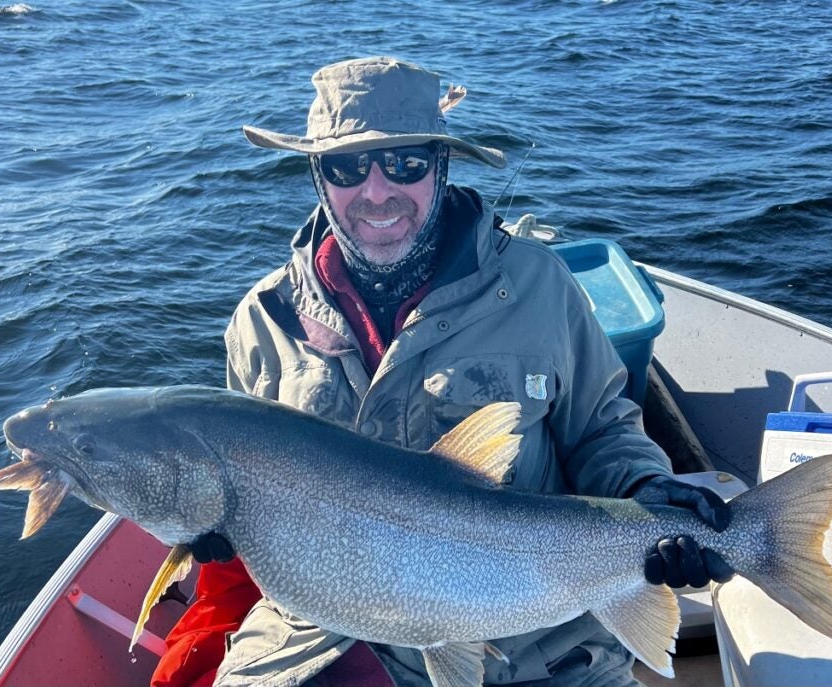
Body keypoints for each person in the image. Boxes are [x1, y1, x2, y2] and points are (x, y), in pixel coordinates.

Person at [152, 57, 733, 687]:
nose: (377, 192)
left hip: (539, 634)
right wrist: (216, 528)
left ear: (442, 163)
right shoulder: (262, 322)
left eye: (405, 163)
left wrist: (643, 489)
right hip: (323, 630)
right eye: (348, 167)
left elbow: (599, 428)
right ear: (319, 176)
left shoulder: (539, 286)